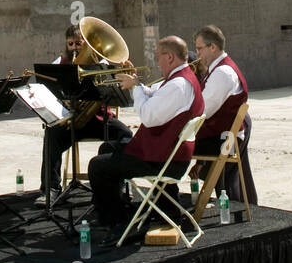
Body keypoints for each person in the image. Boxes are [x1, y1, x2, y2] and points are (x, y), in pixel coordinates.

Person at [87, 36, 204, 235]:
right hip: (168, 154)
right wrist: (137, 84)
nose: (156, 61)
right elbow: (157, 96)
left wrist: (134, 88)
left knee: (97, 165)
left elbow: (148, 116)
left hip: (163, 160)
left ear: (169, 57)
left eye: (158, 57)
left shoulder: (178, 85)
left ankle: (115, 221)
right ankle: (122, 207)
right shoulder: (182, 78)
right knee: (108, 148)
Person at [36, 26, 131, 202]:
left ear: (86, 44)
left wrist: (122, 74)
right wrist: (61, 100)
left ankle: (121, 183)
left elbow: (117, 92)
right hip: (73, 120)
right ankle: (50, 189)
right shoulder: (60, 63)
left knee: (125, 135)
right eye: (70, 43)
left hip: (99, 119)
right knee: (51, 135)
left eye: (78, 43)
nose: (74, 47)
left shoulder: (102, 64)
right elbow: (49, 92)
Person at [191, 25, 257, 205]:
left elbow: (201, 111)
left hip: (224, 138)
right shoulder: (217, 69)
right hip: (224, 133)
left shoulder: (222, 72)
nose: (197, 54)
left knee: (171, 146)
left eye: (199, 48)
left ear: (212, 47)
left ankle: (166, 203)